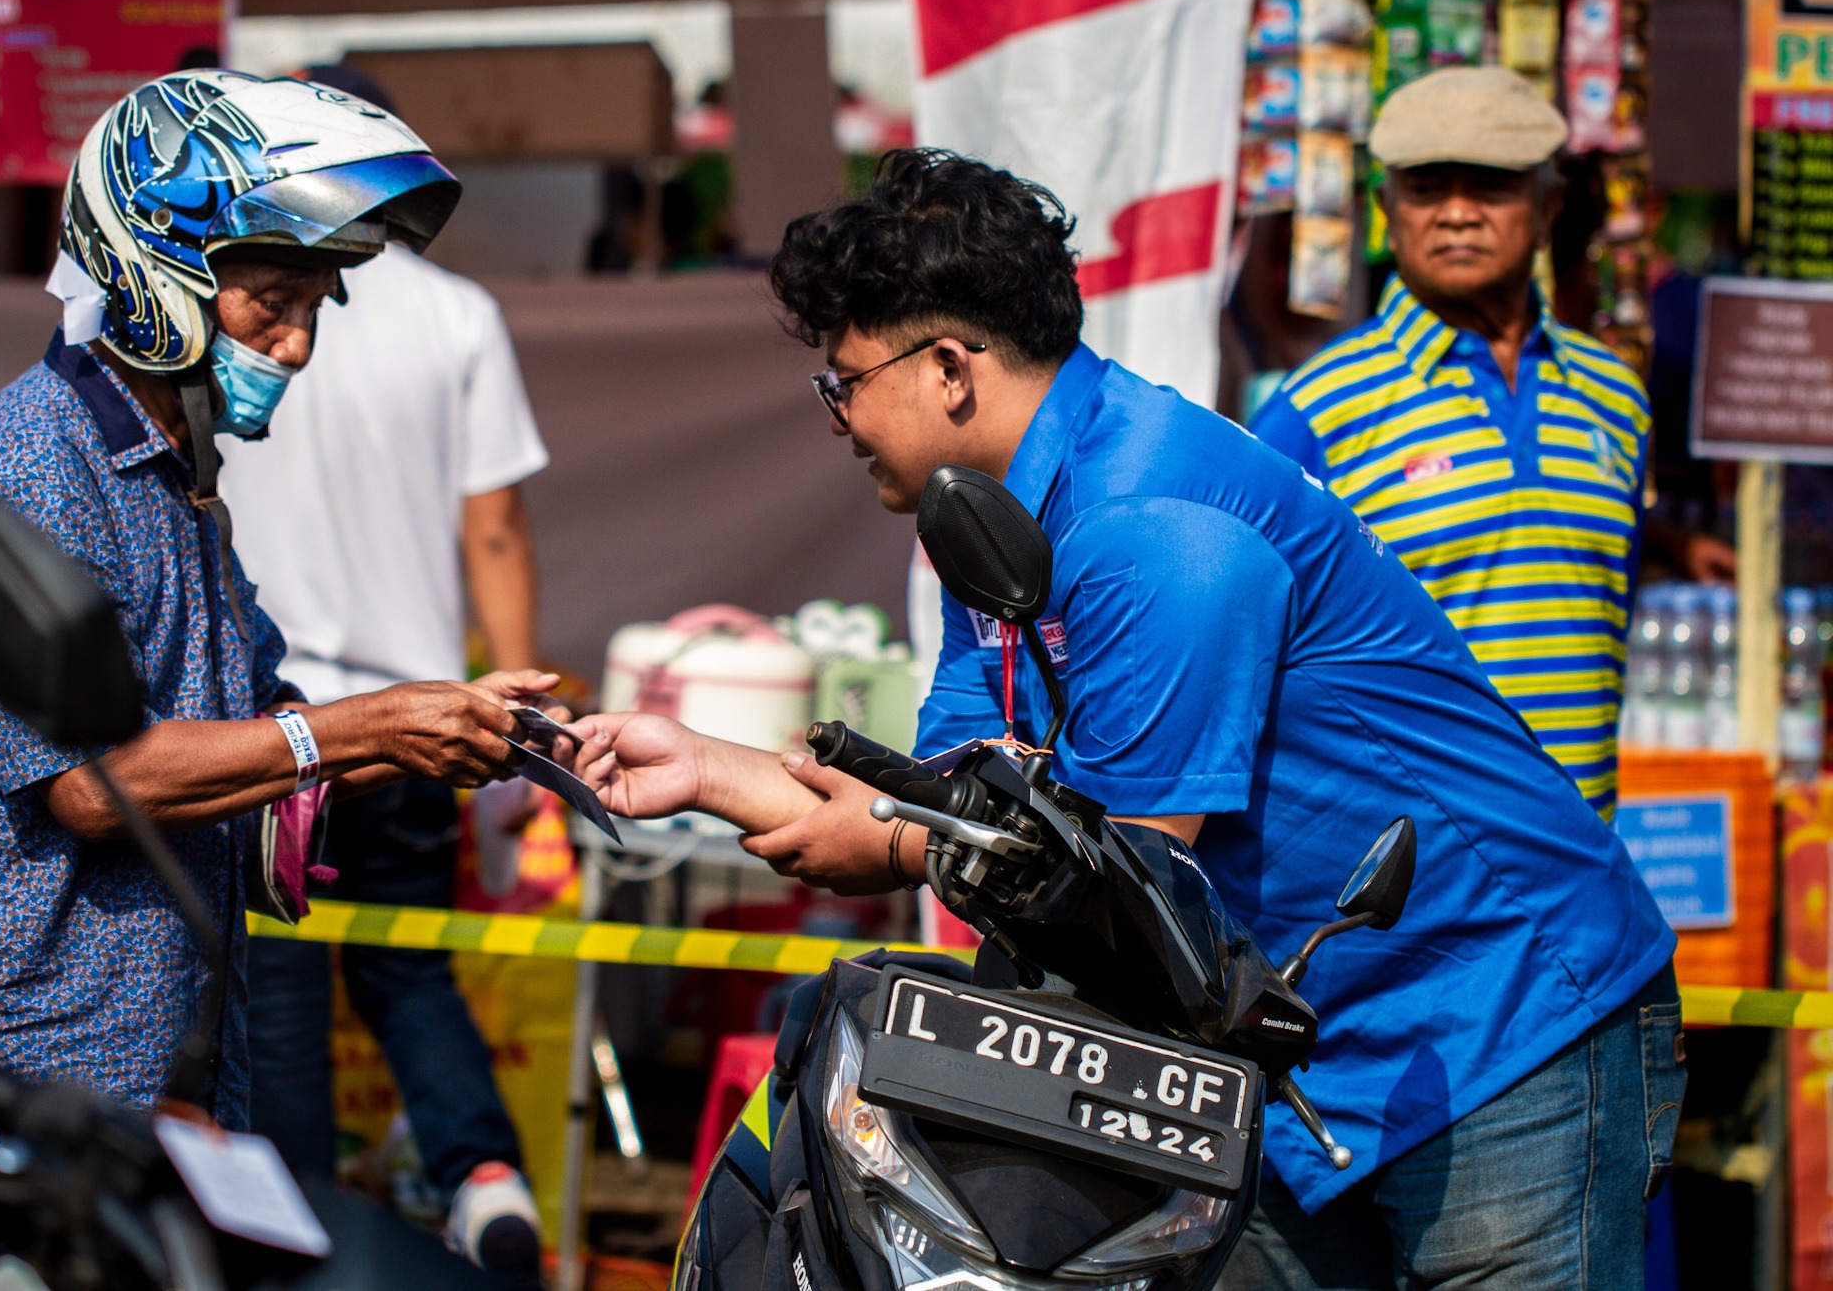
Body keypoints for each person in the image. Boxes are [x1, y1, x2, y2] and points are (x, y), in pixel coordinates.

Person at [572, 148, 1683, 1289]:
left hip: (1489, 1026)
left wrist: (891, 848)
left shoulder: (1154, 530)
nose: (837, 418)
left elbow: (1116, 899)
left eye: (843, 382)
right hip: (1273, 1049)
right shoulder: (985, 521)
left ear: (947, 367)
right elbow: (954, 803)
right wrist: (707, 768)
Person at [0, 71, 565, 1174]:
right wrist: (360, 730)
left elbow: (255, 714)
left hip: (156, 1073)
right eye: (268, 303)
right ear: (160, 278)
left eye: (310, 310)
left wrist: (461, 731)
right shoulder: (22, 465)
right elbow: (95, 782)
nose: (294, 346)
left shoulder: (178, 481)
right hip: (16, 1082)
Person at [216, 64, 549, 1275]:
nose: (299, 333)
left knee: (285, 991)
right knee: (412, 972)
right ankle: (484, 1175)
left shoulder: (222, 295)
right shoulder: (456, 313)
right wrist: (516, 717)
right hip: (421, 712)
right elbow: (495, 529)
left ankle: (300, 1231)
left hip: (275, 720)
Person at [1249, 66, 1729, 820]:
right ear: (1387, 208)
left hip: (1585, 853)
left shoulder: (1615, 396)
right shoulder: (1320, 403)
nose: (1458, 213)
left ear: (1549, 208)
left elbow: (1604, 599)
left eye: (1492, 185)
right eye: (1428, 187)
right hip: (1409, 874)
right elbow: (1251, 636)